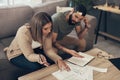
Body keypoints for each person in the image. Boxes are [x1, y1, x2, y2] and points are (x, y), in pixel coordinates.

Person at [4, 12, 70, 72]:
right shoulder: (23, 32)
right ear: (37, 28)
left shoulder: (48, 31)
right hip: (17, 53)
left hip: (33, 49)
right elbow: (29, 55)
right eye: (46, 28)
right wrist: (38, 57)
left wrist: (59, 60)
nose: (49, 31)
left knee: (52, 60)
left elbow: (48, 49)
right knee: (36, 66)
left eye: (50, 27)